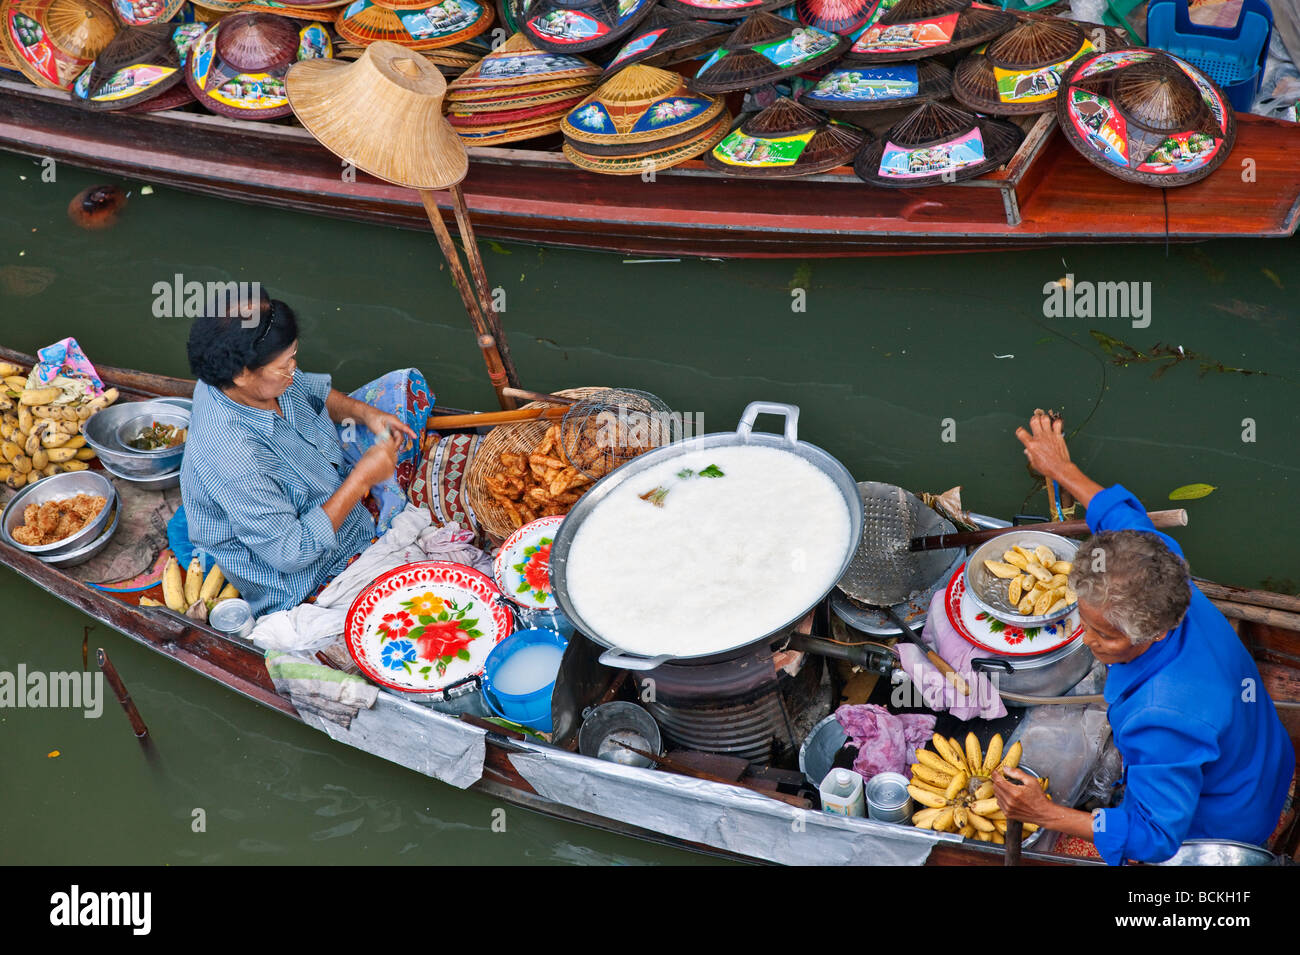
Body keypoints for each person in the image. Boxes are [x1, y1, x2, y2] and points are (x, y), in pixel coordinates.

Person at [992, 411, 1293, 864]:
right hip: (1264, 758)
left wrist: (1046, 813)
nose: (1086, 639)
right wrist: (1058, 467)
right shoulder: (1158, 564)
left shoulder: (1164, 716)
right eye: (1085, 620)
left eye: (1105, 636)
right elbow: (1119, 517)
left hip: (1222, 820)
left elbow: (1156, 837)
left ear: (1155, 632)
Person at [180, 299, 429, 615]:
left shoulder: (245, 377)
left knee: (408, 390)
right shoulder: (234, 457)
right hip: (303, 572)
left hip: (325, 476)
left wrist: (367, 414)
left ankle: (366, 494)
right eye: (285, 364)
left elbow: (314, 390)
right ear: (242, 374)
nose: (293, 370)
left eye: (294, 357)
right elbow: (290, 551)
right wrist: (361, 479)